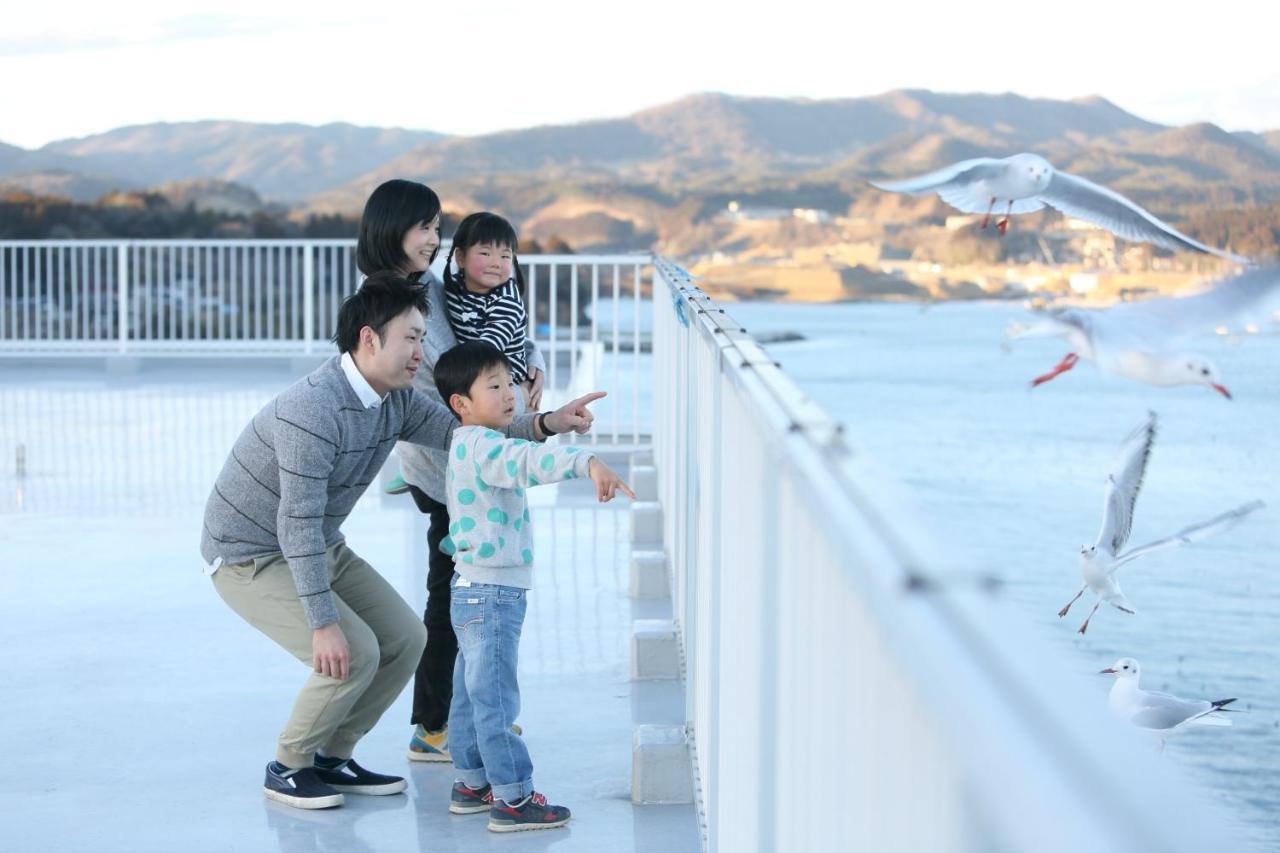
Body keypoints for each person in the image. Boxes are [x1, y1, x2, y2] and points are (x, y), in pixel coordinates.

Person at [199, 272, 602, 810]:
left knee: (407, 639)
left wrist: (549, 422)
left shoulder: (396, 401)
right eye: (411, 338)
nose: (421, 351)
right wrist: (323, 625)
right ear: (369, 339)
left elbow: (470, 435)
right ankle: (287, 765)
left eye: (422, 336)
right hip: (249, 554)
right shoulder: (312, 411)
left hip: (319, 542)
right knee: (353, 651)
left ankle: (332, 757)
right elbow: (294, 522)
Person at [352, 182, 546, 763]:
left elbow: (499, 336)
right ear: (391, 229)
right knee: (455, 596)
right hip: (446, 464)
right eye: (425, 229)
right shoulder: (387, 302)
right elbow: (433, 386)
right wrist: (513, 412)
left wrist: (527, 368)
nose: (434, 241)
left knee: (461, 592)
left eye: (438, 229)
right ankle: (436, 724)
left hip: (467, 455)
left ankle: (455, 719)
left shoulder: (429, 287)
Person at [432, 341, 634, 832]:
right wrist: (585, 461)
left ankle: (472, 781)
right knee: (496, 697)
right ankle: (514, 798)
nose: (510, 395)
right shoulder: (486, 446)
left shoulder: (466, 443)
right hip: (494, 593)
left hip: (471, 588)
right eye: (495, 387)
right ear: (461, 404)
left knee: (469, 691)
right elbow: (529, 461)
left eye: (511, 384)